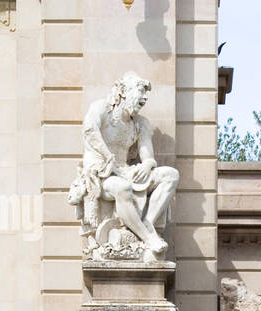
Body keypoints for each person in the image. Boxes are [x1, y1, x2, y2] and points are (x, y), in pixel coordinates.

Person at [70, 73, 179, 257]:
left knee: (171, 175)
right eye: (140, 91)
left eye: (146, 94)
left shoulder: (140, 123)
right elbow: (90, 130)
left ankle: (147, 223)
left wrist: (147, 165)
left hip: (124, 170)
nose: (145, 98)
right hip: (100, 173)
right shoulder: (101, 109)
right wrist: (107, 157)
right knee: (122, 188)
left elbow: (148, 156)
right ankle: (148, 238)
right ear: (123, 91)